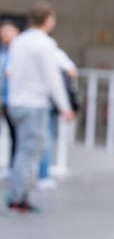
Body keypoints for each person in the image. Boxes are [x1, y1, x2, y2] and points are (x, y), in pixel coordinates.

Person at [5, 2, 73, 213]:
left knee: (22, 149)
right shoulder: (45, 44)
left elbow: (10, 71)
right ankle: (18, 197)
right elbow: (52, 78)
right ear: (48, 19)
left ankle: (19, 194)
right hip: (34, 104)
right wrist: (65, 106)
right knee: (31, 151)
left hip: (16, 102)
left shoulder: (19, 42)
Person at [36, 47, 77, 191]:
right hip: (45, 102)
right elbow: (72, 71)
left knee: (33, 139)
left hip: (32, 102)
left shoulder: (19, 48)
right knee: (45, 137)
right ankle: (42, 176)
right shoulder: (53, 52)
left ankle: (37, 174)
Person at [0, 19, 20, 171]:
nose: (4, 34)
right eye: (2, 32)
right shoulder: (3, 52)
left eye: (7, 31)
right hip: (2, 98)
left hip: (14, 100)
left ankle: (14, 168)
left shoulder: (21, 52)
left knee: (15, 135)